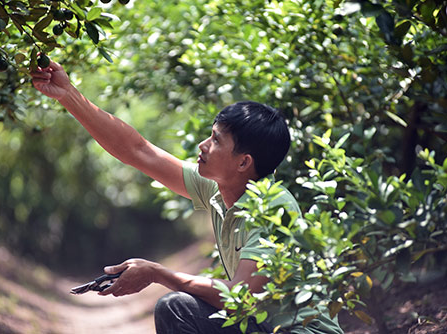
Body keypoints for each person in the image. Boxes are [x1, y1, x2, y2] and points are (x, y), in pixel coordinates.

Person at [31, 61, 343, 334]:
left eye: (216, 141)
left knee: (177, 307)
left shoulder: (274, 208)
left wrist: (157, 273)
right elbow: (138, 151)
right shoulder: (221, 189)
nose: (203, 146)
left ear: (244, 162)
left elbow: (239, 299)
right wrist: (69, 95)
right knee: (179, 307)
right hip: (261, 325)